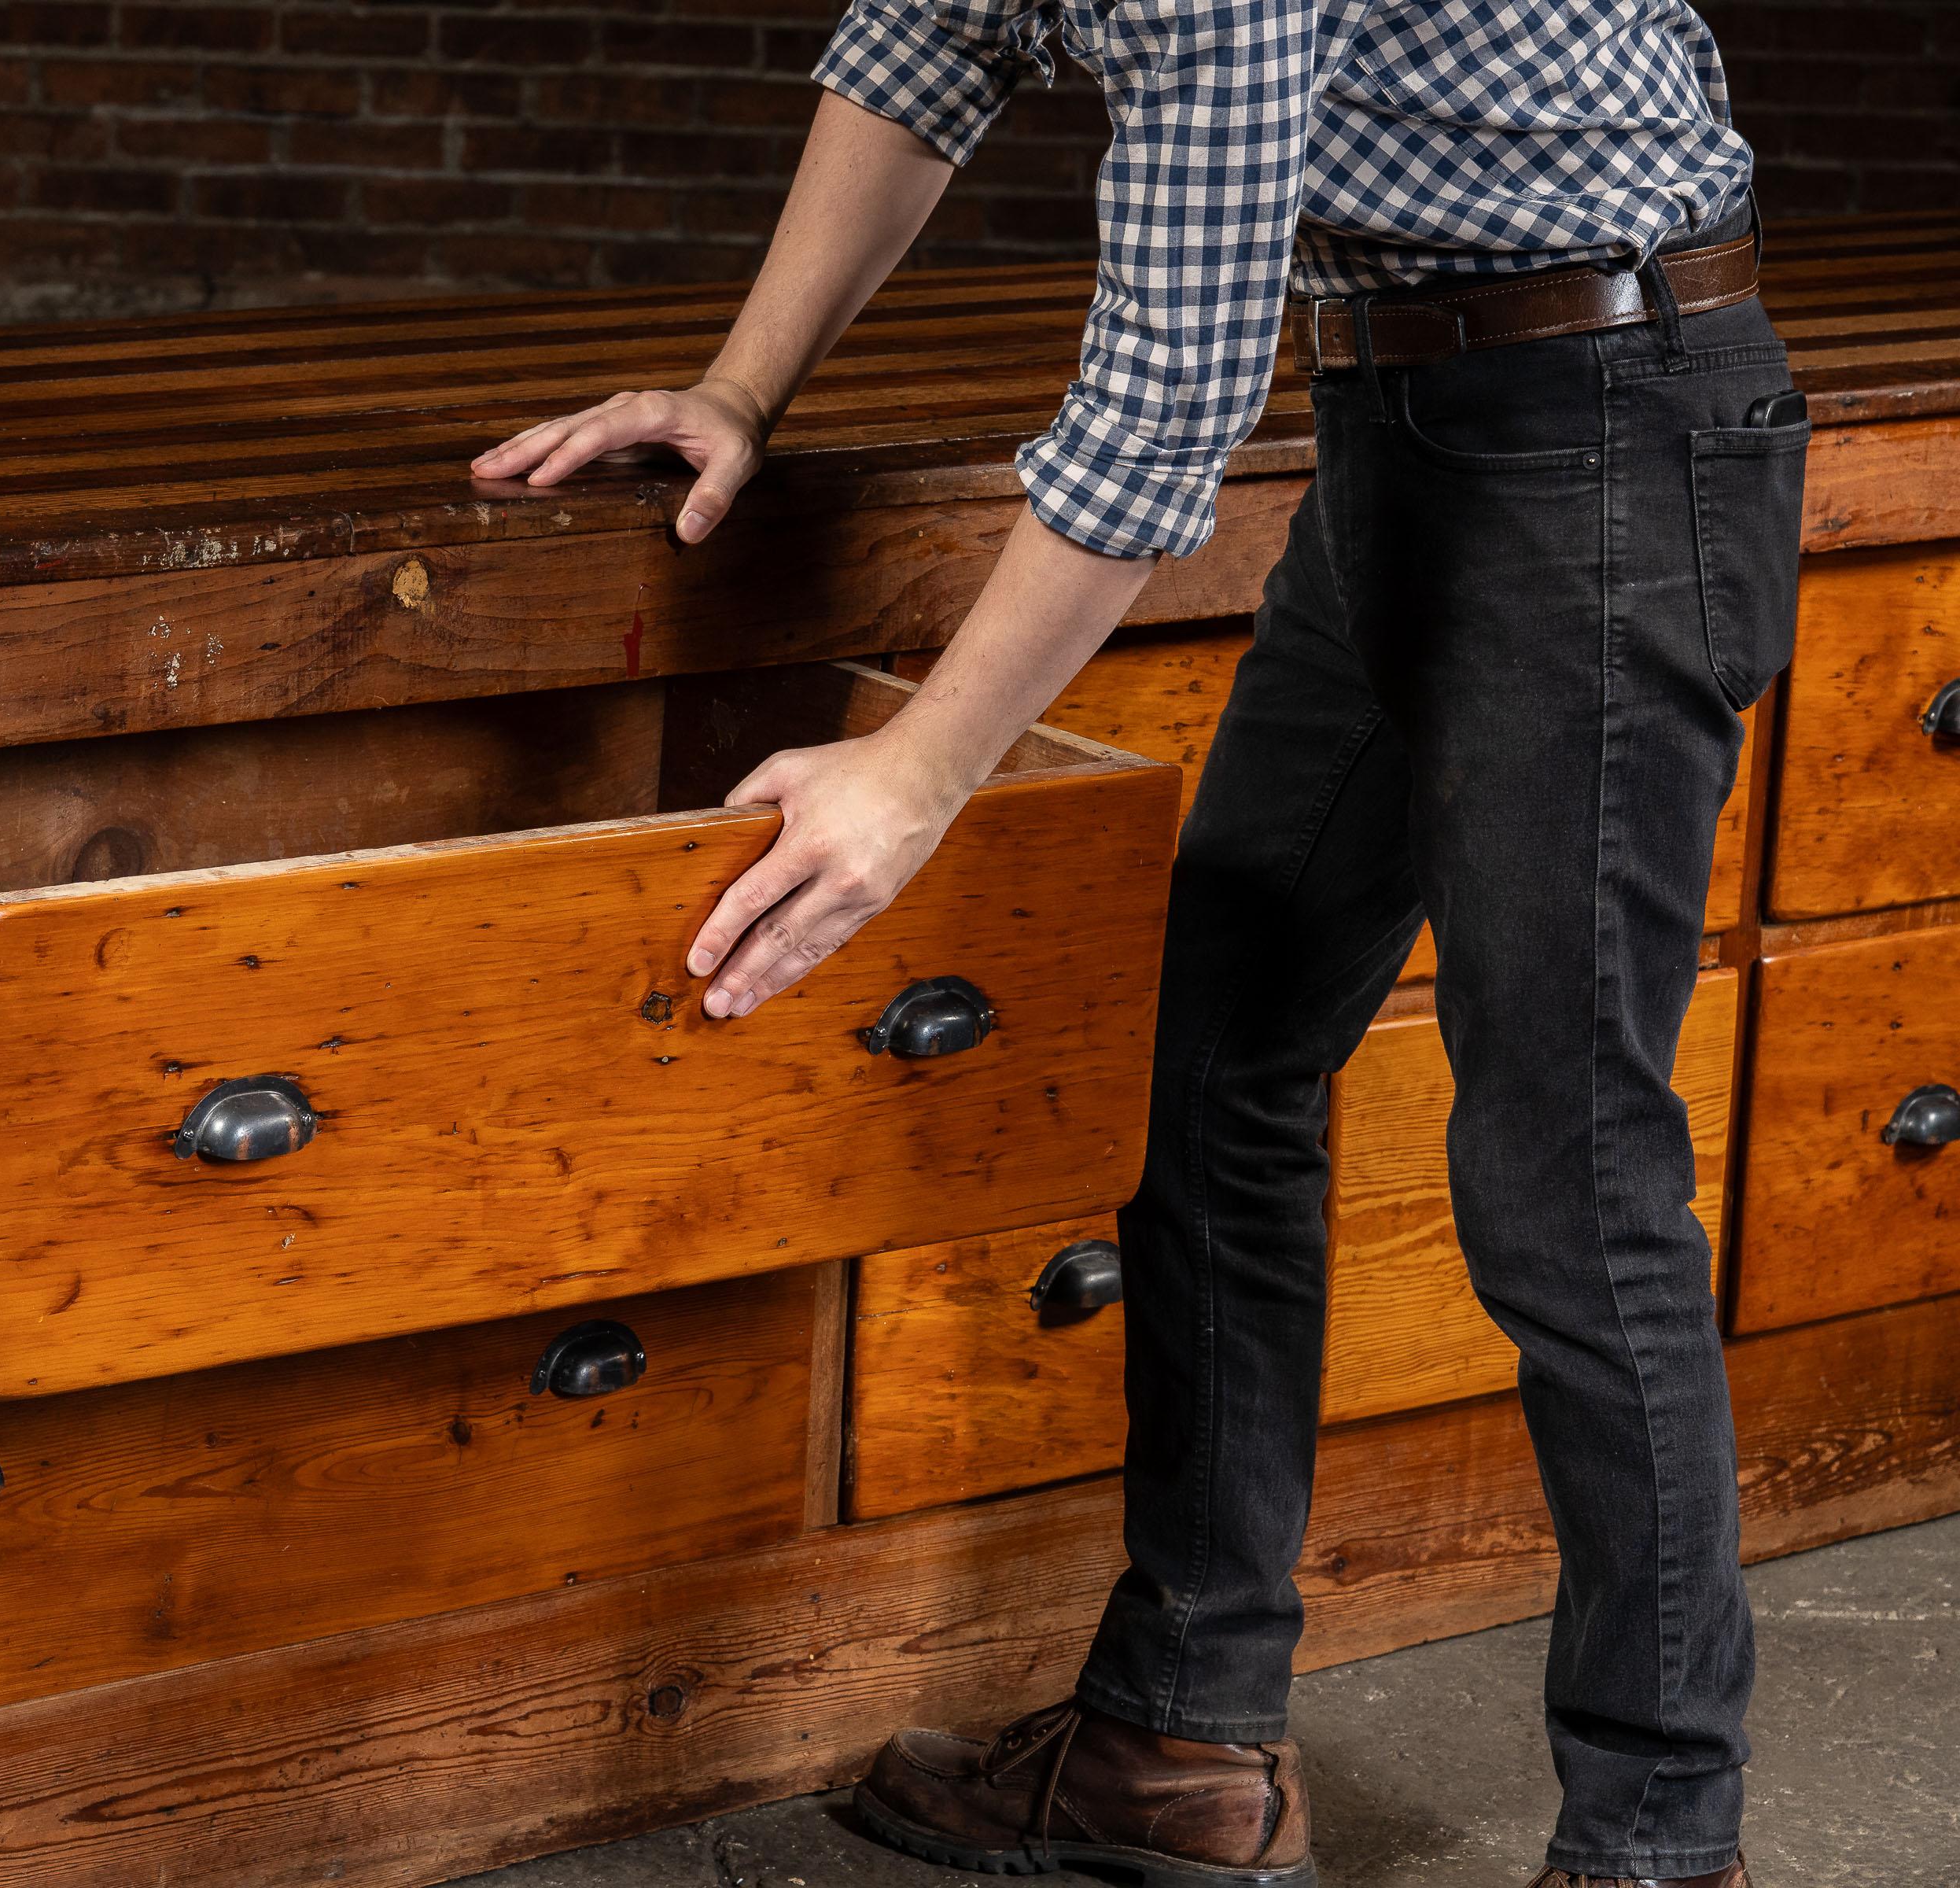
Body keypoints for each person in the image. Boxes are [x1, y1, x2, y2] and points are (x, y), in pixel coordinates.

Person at [473, 6, 1807, 1886]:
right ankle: (1183, 1737)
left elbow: (1171, 401)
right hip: (1413, 414)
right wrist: (740, 392)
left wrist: (923, 768)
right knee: (1215, 1060)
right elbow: (922, 47)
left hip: (1605, 423)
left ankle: (1660, 1847)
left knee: (1565, 1171)